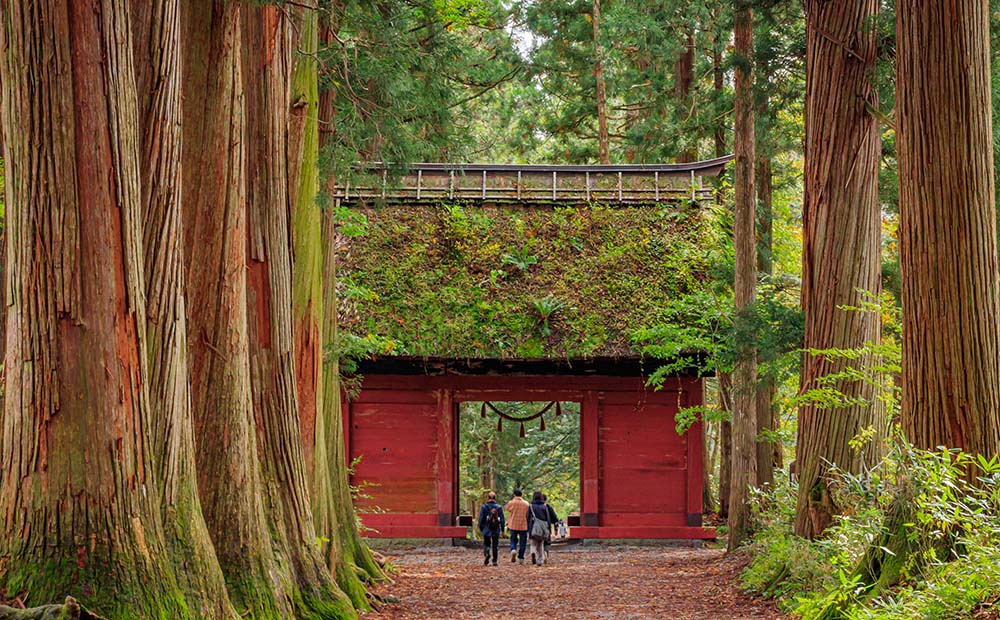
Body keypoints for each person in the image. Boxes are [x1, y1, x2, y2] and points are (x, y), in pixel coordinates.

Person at [477, 491, 505, 566]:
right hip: (495, 529)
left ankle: (487, 552)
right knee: (495, 545)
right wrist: (502, 529)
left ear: (488, 498)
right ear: (495, 498)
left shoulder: (484, 507)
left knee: (486, 543)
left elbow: (481, 518)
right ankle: (494, 561)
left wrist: (480, 527)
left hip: (486, 528)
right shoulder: (499, 507)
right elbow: (502, 519)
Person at [505, 488, 530, 563]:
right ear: (522, 494)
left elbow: (507, 509)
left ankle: (513, 549)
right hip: (523, 525)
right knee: (523, 541)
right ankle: (521, 557)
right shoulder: (526, 504)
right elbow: (528, 514)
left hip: (513, 524)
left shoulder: (511, 503)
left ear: (514, 494)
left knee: (513, 539)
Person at [526, 490, 550, 566]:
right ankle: (540, 560)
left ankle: (533, 552)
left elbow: (528, 517)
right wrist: (548, 528)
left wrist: (528, 528)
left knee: (533, 543)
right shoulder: (544, 506)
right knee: (540, 544)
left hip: (533, 526)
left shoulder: (531, 506)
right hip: (542, 528)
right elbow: (548, 518)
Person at [540, 493, 559, 563]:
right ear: (545, 500)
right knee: (547, 541)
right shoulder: (548, 507)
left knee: (538, 541)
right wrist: (555, 526)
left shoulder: (534, 507)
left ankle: (539, 554)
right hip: (547, 527)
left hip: (536, 528)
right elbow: (554, 518)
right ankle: (545, 552)